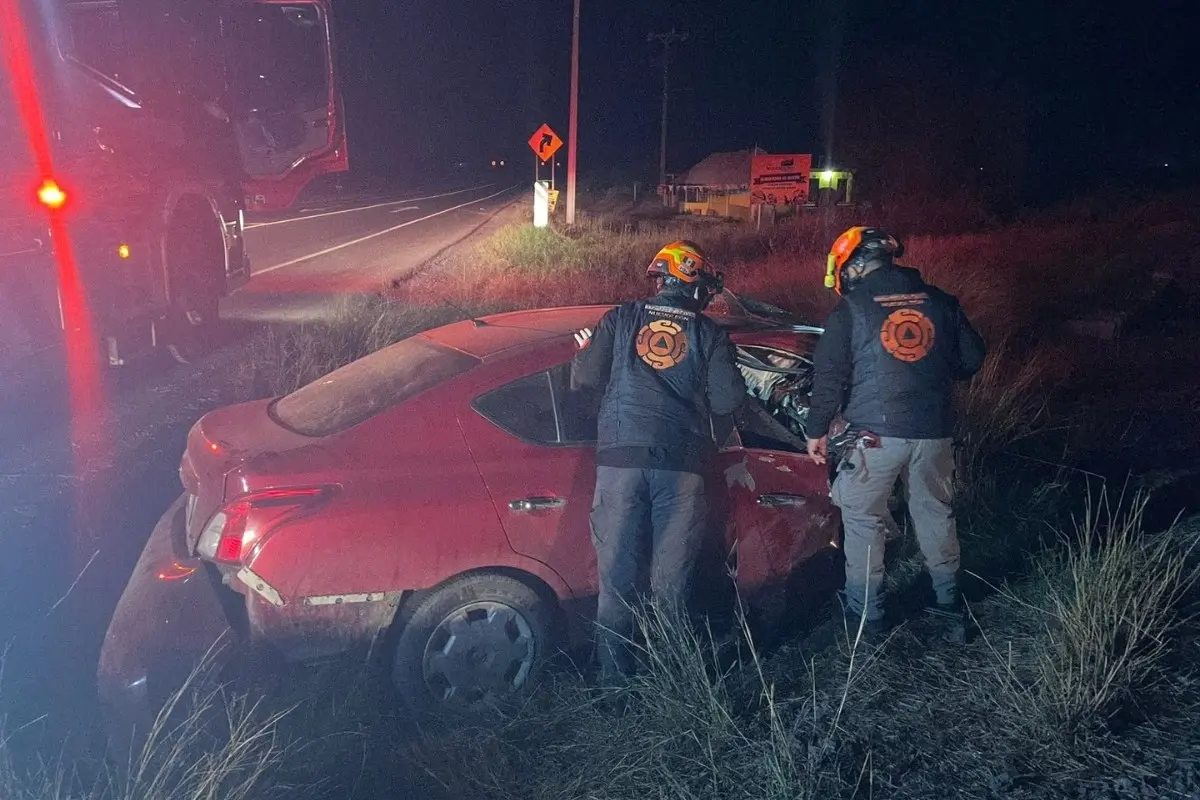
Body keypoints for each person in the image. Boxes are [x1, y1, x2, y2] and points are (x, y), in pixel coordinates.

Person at [571, 239, 747, 683]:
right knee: (672, 584)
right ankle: (669, 682)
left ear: (661, 278)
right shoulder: (709, 334)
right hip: (681, 467)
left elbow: (586, 377)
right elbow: (729, 400)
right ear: (695, 286)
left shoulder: (621, 317)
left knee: (617, 579)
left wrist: (585, 354)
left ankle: (614, 685)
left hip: (620, 463)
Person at [805, 227, 986, 640]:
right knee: (935, 513)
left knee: (863, 519)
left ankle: (867, 617)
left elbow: (828, 378)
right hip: (933, 433)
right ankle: (948, 604)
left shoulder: (851, 309)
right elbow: (972, 359)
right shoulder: (940, 301)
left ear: (853, 265)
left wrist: (817, 431)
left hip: (874, 438)